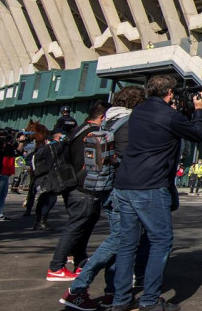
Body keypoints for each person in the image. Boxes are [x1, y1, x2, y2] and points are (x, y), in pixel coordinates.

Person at [109, 75, 202, 311]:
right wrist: (199, 111)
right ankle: (150, 300)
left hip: (125, 183)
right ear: (170, 93)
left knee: (127, 244)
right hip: (150, 185)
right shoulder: (168, 115)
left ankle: (120, 298)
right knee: (161, 241)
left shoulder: (139, 112)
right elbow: (198, 134)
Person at [59, 86, 150, 310]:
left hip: (106, 188)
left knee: (123, 241)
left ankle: (113, 291)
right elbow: (129, 158)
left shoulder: (109, 121)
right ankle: (77, 288)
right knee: (119, 240)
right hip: (121, 190)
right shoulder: (128, 124)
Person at [47, 101, 110, 281]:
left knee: (82, 224)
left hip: (73, 184)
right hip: (84, 186)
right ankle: (56, 266)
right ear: (102, 117)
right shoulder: (93, 133)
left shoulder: (78, 130)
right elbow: (96, 162)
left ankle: (80, 261)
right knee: (76, 226)